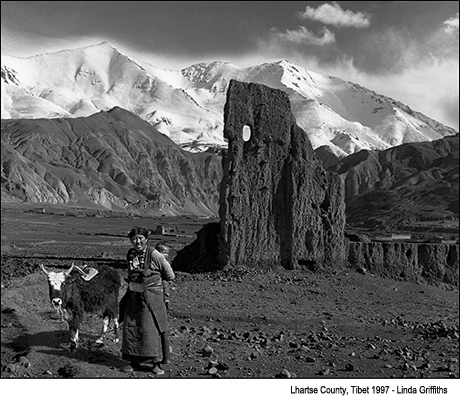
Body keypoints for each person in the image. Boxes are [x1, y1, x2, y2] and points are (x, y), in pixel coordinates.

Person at [119, 226, 175, 375]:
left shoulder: (155, 254)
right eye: (134, 239)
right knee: (132, 327)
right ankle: (133, 361)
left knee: (151, 329)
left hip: (152, 298)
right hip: (134, 297)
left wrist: (154, 284)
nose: (137, 242)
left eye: (140, 239)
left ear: (146, 239)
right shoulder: (131, 254)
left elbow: (170, 275)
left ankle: (155, 363)